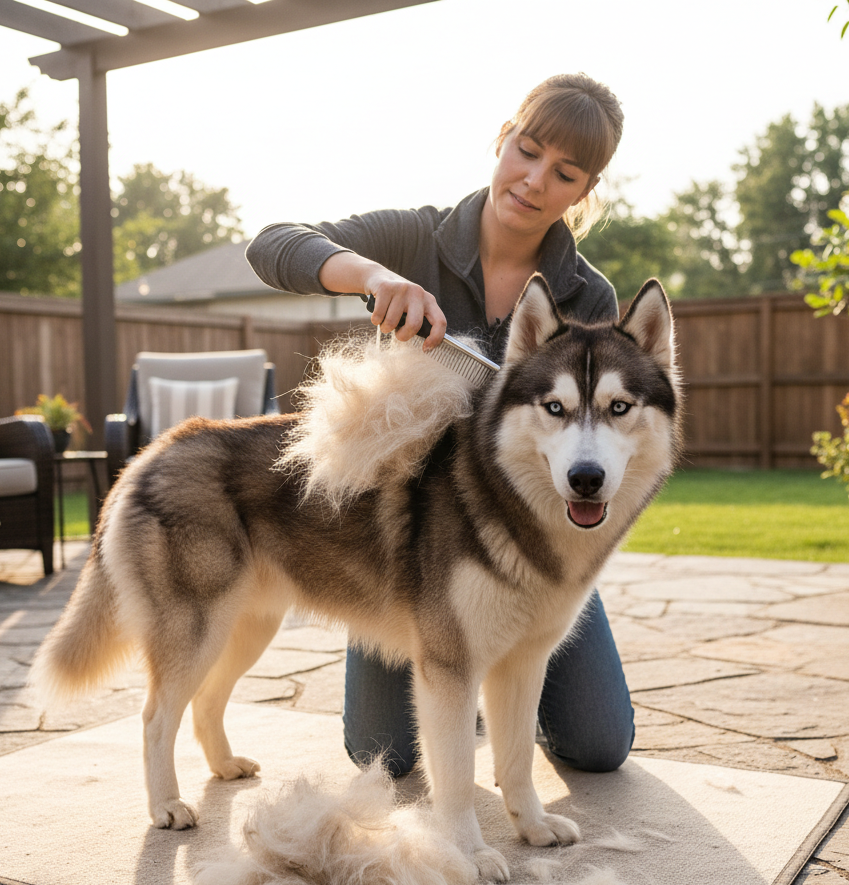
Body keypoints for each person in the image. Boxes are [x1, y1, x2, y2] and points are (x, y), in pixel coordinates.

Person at [246, 72, 634, 779]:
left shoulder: (587, 295)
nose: (534, 179)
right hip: (405, 548)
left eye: (565, 172)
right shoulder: (415, 238)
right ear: (503, 139)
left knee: (599, 746)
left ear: (584, 192)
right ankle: (461, 671)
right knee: (384, 755)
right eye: (527, 149)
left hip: (532, 543)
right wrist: (373, 277)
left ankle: (493, 675)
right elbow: (271, 245)